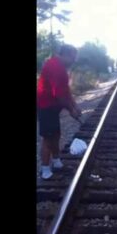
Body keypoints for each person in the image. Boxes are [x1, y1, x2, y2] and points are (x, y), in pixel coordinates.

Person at [37, 44, 82, 179]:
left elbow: (65, 90)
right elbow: (58, 95)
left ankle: (56, 162)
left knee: (56, 134)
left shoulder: (61, 67)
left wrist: (74, 105)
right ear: (65, 55)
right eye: (73, 58)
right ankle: (45, 170)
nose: (74, 61)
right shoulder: (55, 67)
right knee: (48, 138)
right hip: (46, 106)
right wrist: (71, 111)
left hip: (52, 106)